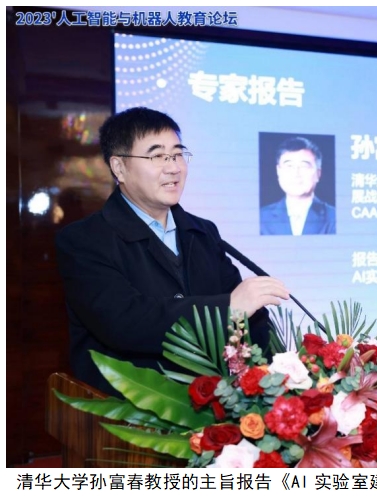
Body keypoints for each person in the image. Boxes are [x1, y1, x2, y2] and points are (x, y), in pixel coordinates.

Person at [56, 107, 290, 396]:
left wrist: (269, 383)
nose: (173, 167)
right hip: (130, 410)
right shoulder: (84, 240)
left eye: (178, 154)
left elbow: (251, 319)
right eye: (157, 156)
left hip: (216, 404)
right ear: (119, 168)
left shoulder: (203, 232)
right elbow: (125, 323)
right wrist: (227, 308)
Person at [260, 137, 336, 235]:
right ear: (278, 171)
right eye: (289, 166)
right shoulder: (260, 218)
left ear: (318, 173)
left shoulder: (335, 218)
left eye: (304, 166)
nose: (296, 174)